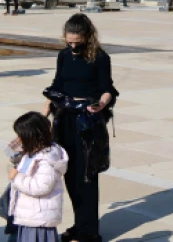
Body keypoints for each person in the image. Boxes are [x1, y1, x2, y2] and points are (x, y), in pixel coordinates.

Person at [44, 14, 115, 242]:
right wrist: (42, 117)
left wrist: (101, 103)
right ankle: (79, 224)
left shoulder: (100, 57)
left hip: (87, 121)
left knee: (86, 175)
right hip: (65, 118)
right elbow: (56, 86)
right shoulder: (64, 55)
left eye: (77, 42)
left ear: (87, 36)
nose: (73, 46)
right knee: (69, 174)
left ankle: (89, 232)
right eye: (69, 41)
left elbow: (107, 89)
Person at [7, 111, 68, 242]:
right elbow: (10, 153)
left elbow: (40, 187)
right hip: (29, 213)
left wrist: (17, 177)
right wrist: (15, 146)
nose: (18, 138)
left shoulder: (47, 159)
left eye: (20, 135)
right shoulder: (31, 151)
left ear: (31, 136)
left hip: (38, 217)